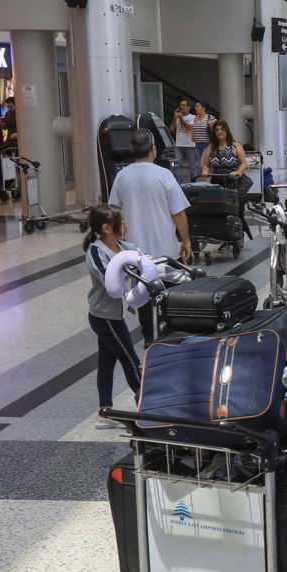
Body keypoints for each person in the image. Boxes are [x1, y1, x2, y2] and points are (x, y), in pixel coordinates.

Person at [107, 130, 192, 343]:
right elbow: (178, 212)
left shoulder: (122, 176)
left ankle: (149, 340)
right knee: (171, 299)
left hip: (135, 256)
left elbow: (113, 213)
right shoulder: (164, 175)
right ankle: (171, 340)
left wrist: (116, 249)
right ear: (153, 149)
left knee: (144, 300)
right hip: (167, 253)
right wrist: (186, 240)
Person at [82, 204, 143, 430]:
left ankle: (104, 411)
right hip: (104, 317)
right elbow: (110, 283)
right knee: (130, 360)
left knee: (107, 361)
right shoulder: (96, 252)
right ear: (107, 228)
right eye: (122, 222)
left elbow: (142, 261)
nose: (126, 226)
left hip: (114, 314)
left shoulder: (124, 246)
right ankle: (145, 408)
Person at [169, 99, 197, 183]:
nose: (182, 107)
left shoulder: (193, 117)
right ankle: (181, 185)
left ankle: (194, 185)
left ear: (189, 107)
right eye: (181, 105)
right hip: (179, 145)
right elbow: (171, 129)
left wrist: (181, 119)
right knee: (177, 166)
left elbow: (189, 127)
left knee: (192, 168)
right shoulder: (177, 117)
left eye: (184, 105)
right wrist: (175, 118)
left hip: (190, 145)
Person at [189, 102, 216, 167]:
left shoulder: (210, 118)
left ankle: (208, 174)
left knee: (202, 164)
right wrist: (192, 136)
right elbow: (192, 128)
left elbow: (217, 129)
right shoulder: (195, 118)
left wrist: (211, 126)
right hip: (197, 144)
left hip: (207, 144)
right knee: (200, 165)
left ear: (203, 108)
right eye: (195, 106)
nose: (196, 108)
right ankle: (207, 175)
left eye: (198, 106)